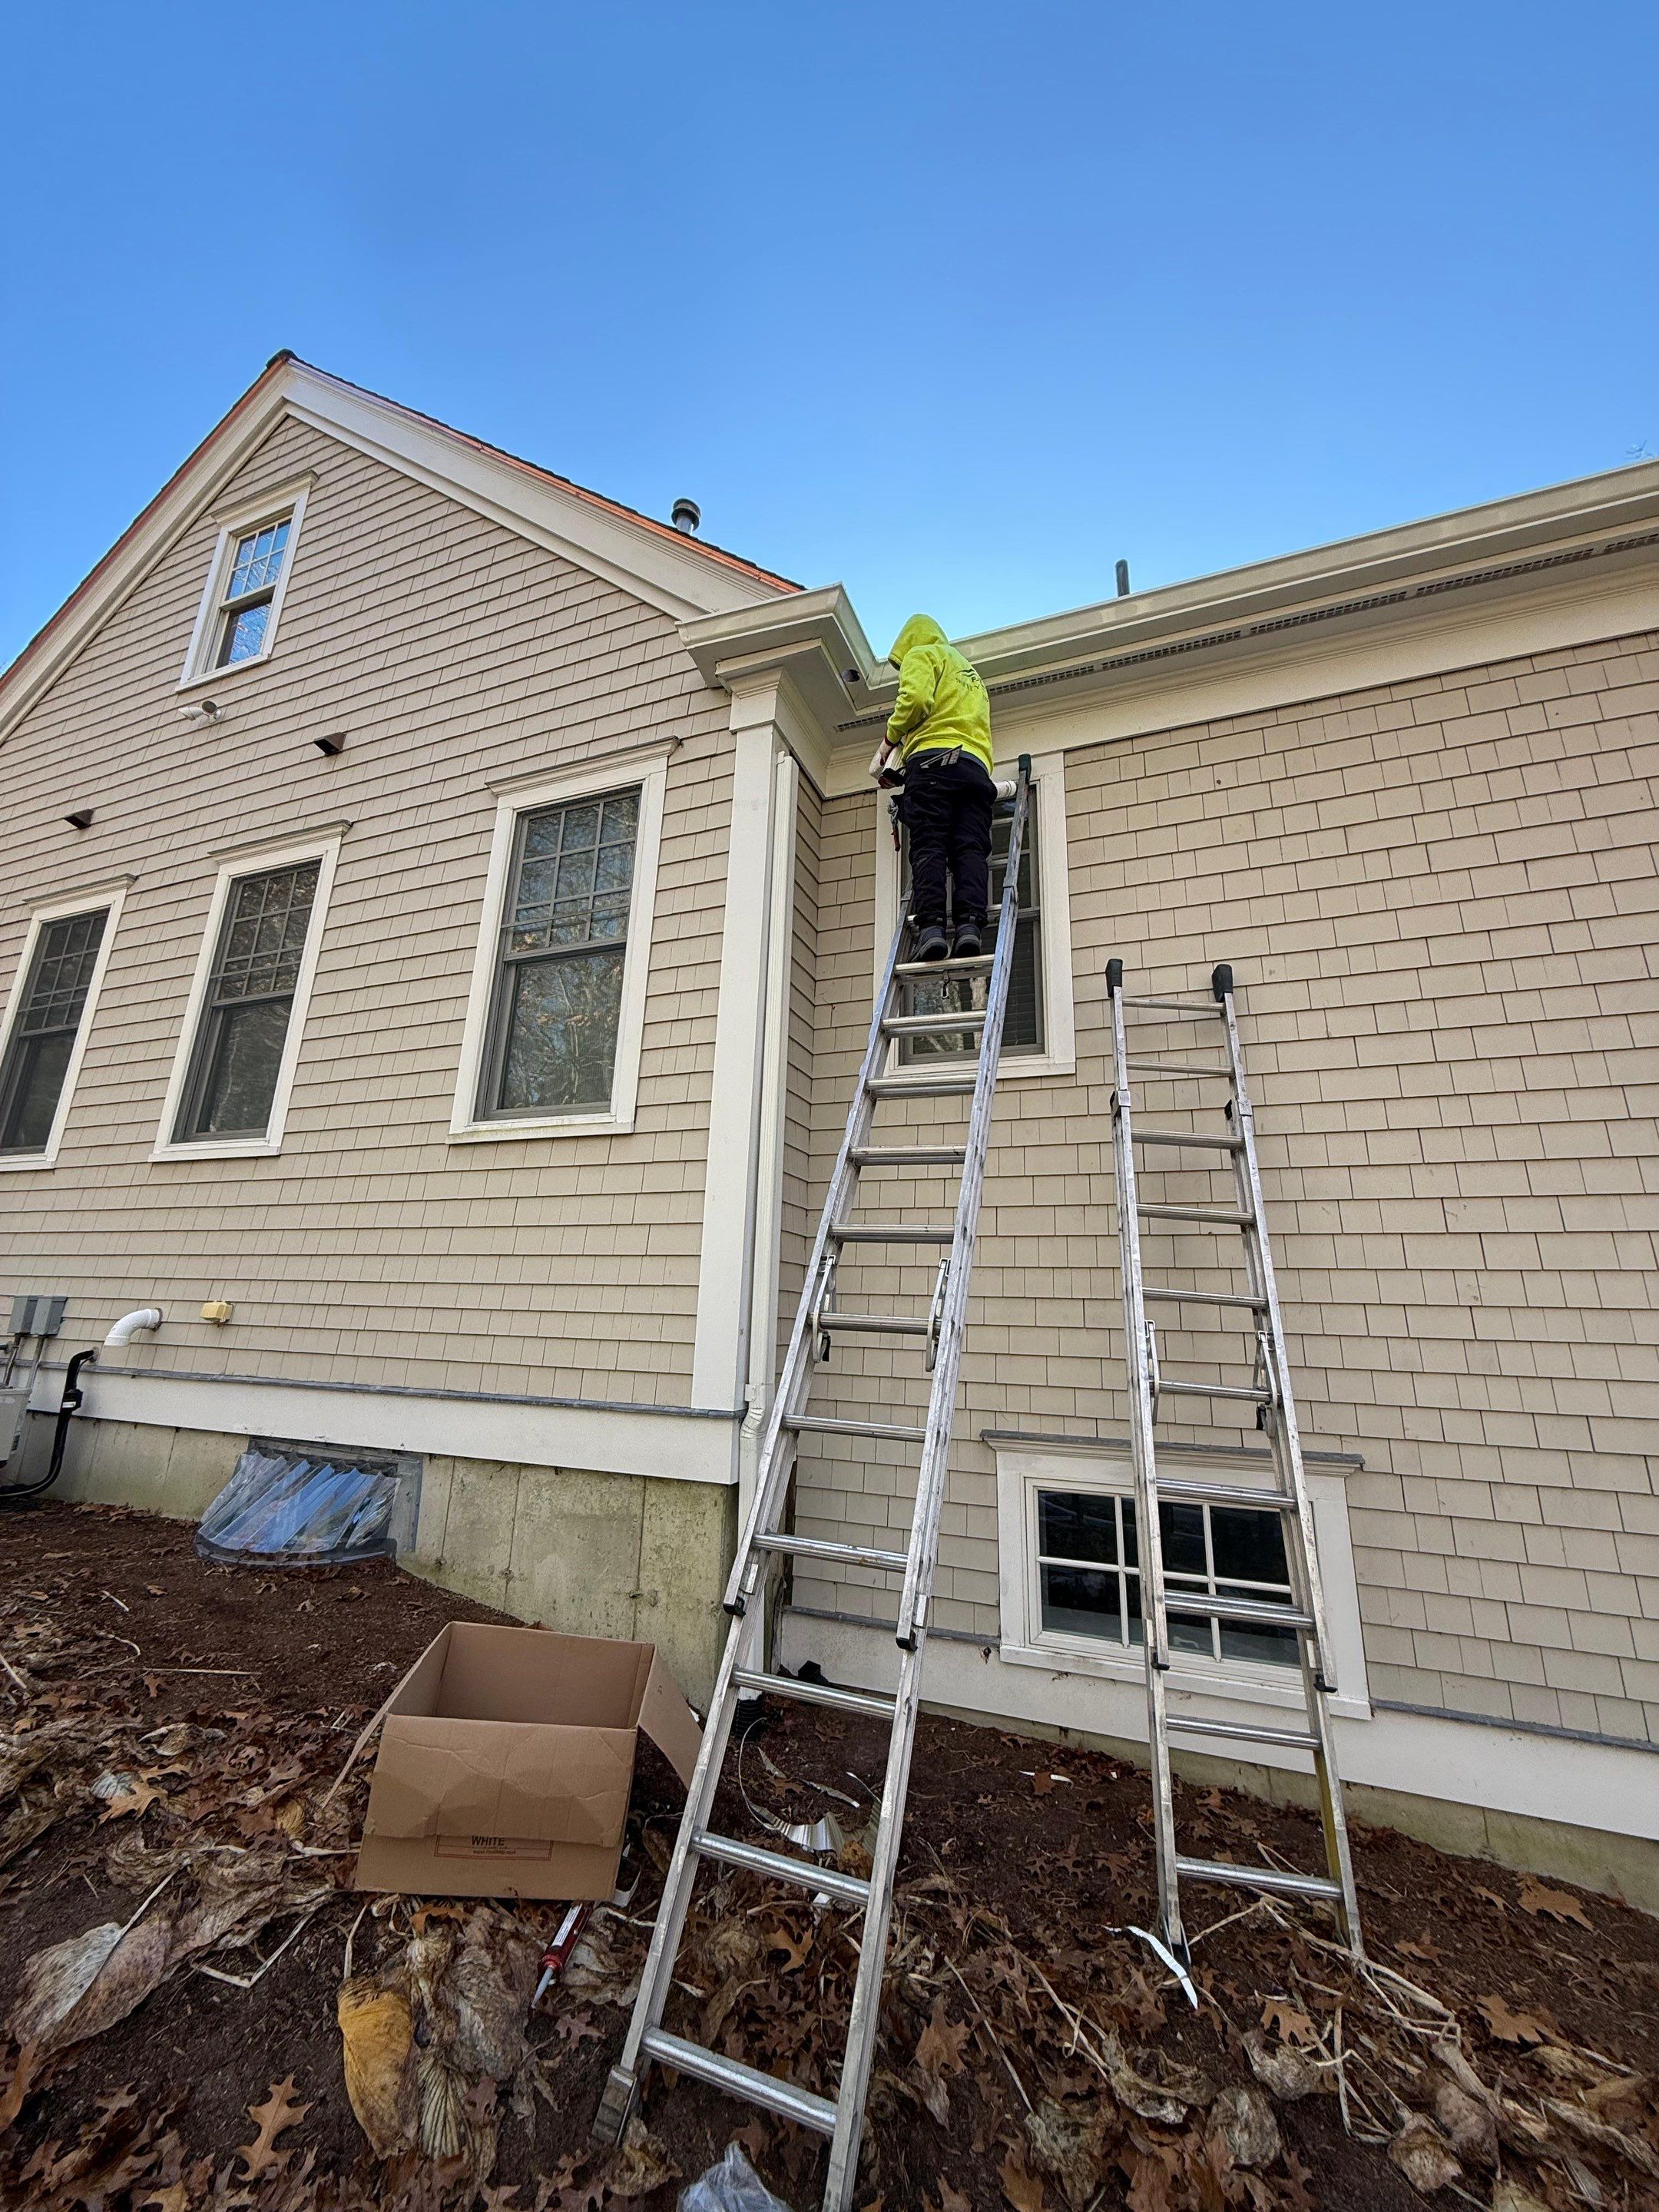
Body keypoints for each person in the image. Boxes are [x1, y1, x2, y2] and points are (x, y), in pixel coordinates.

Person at [869, 613, 996, 962]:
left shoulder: (922, 654)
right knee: (970, 848)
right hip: (975, 769)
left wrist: (890, 740)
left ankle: (932, 930)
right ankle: (970, 926)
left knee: (930, 847)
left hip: (933, 764)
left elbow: (916, 700)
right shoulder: (971, 675)